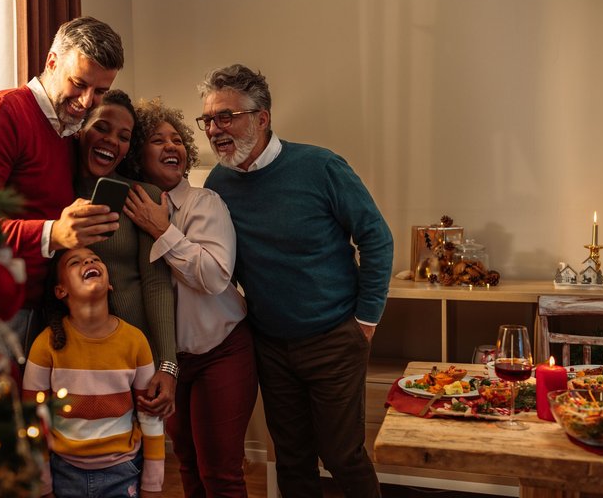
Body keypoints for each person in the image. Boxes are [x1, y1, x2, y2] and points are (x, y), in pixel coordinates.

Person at [198, 64, 394, 498]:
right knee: (291, 458)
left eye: (226, 116)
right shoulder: (217, 184)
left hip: (334, 337)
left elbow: (376, 238)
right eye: (209, 119)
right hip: (270, 345)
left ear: (262, 117)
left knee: (343, 455)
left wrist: (366, 320)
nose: (214, 129)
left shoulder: (320, 166)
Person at [0, 16, 124, 354]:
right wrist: (53, 234)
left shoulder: (69, 135)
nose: (86, 101)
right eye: (78, 83)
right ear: (52, 62)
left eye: (101, 91)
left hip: (33, 310)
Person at [122, 98, 258, 497]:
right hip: (169, 362)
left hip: (222, 350)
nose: (173, 146)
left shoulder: (205, 203)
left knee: (221, 472)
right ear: (135, 154)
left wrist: (163, 230)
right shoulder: (125, 211)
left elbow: (215, 276)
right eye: (158, 139)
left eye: (177, 139)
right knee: (188, 465)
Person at [22, 246, 164, 498]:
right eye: (75, 262)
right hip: (64, 473)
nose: (88, 260)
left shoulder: (135, 341)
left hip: (124, 473)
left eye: (95, 259)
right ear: (60, 290)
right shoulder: (45, 344)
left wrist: (152, 486)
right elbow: (34, 420)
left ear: (110, 285)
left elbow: (151, 418)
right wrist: (43, 486)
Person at [74, 90, 178, 418]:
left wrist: (168, 364)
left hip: (135, 357)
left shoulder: (142, 197)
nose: (111, 141)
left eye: (123, 137)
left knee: (139, 456)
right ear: (79, 129)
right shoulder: (54, 192)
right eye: (101, 128)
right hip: (72, 355)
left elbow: (156, 284)